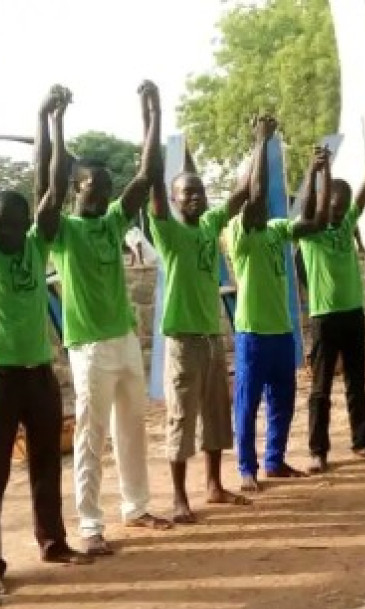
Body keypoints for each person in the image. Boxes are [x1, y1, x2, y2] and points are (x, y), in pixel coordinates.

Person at [0, 89, 92, 597]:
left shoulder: (36, 244)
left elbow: (50, 191)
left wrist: (51, 122)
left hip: (38, 372)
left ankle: (52, 541)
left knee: (44, 464)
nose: (8, 231)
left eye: (14, 223)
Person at [40, 81, 170, 556]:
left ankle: (136, 507)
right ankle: (90, 525)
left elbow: (148, 172)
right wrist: (55, 122)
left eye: (108, 189)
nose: (105, 193)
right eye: (96, 186)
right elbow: (49, 188)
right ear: (78, 188)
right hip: (89, 347)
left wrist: (151, 111)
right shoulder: (62, 232)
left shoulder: (114, 220)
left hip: (124, 339)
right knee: (89, 437)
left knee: (132, 427)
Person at [146, 107, 253, 523]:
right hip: (183, 341)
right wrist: (151, 118)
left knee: (214, 415)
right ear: (173, 201)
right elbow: (154, 183)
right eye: (185, 193)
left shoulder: (210, 225)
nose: (194, 197)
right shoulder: (168, 232)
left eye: (199, 191)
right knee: (181, 418)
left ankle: (214, 485)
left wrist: (258, 144)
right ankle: (178, 496)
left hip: (211, 337)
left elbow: (242, 194)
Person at [227, 116, 327, 492]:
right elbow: (253, 197)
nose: (266, 198)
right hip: (252, 333)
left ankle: (274, 460)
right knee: (248, 405)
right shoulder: (239, 229)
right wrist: (263, 142)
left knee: (281, 401)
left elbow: (312, 223)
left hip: (282, 332)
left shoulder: (276, 229)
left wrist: (317, 174)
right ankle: (247, 468)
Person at [299, 139, 365, 473]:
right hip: (324, 317)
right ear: (326, 202)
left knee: (356, 382)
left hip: (353, 314)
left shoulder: (348, 221)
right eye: (336, 203)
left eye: (345, 204)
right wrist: (320, 170)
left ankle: (361, 441)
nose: (341, 209)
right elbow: (311, 204)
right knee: (321, 388)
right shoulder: (311, 232)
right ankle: (317, 451)